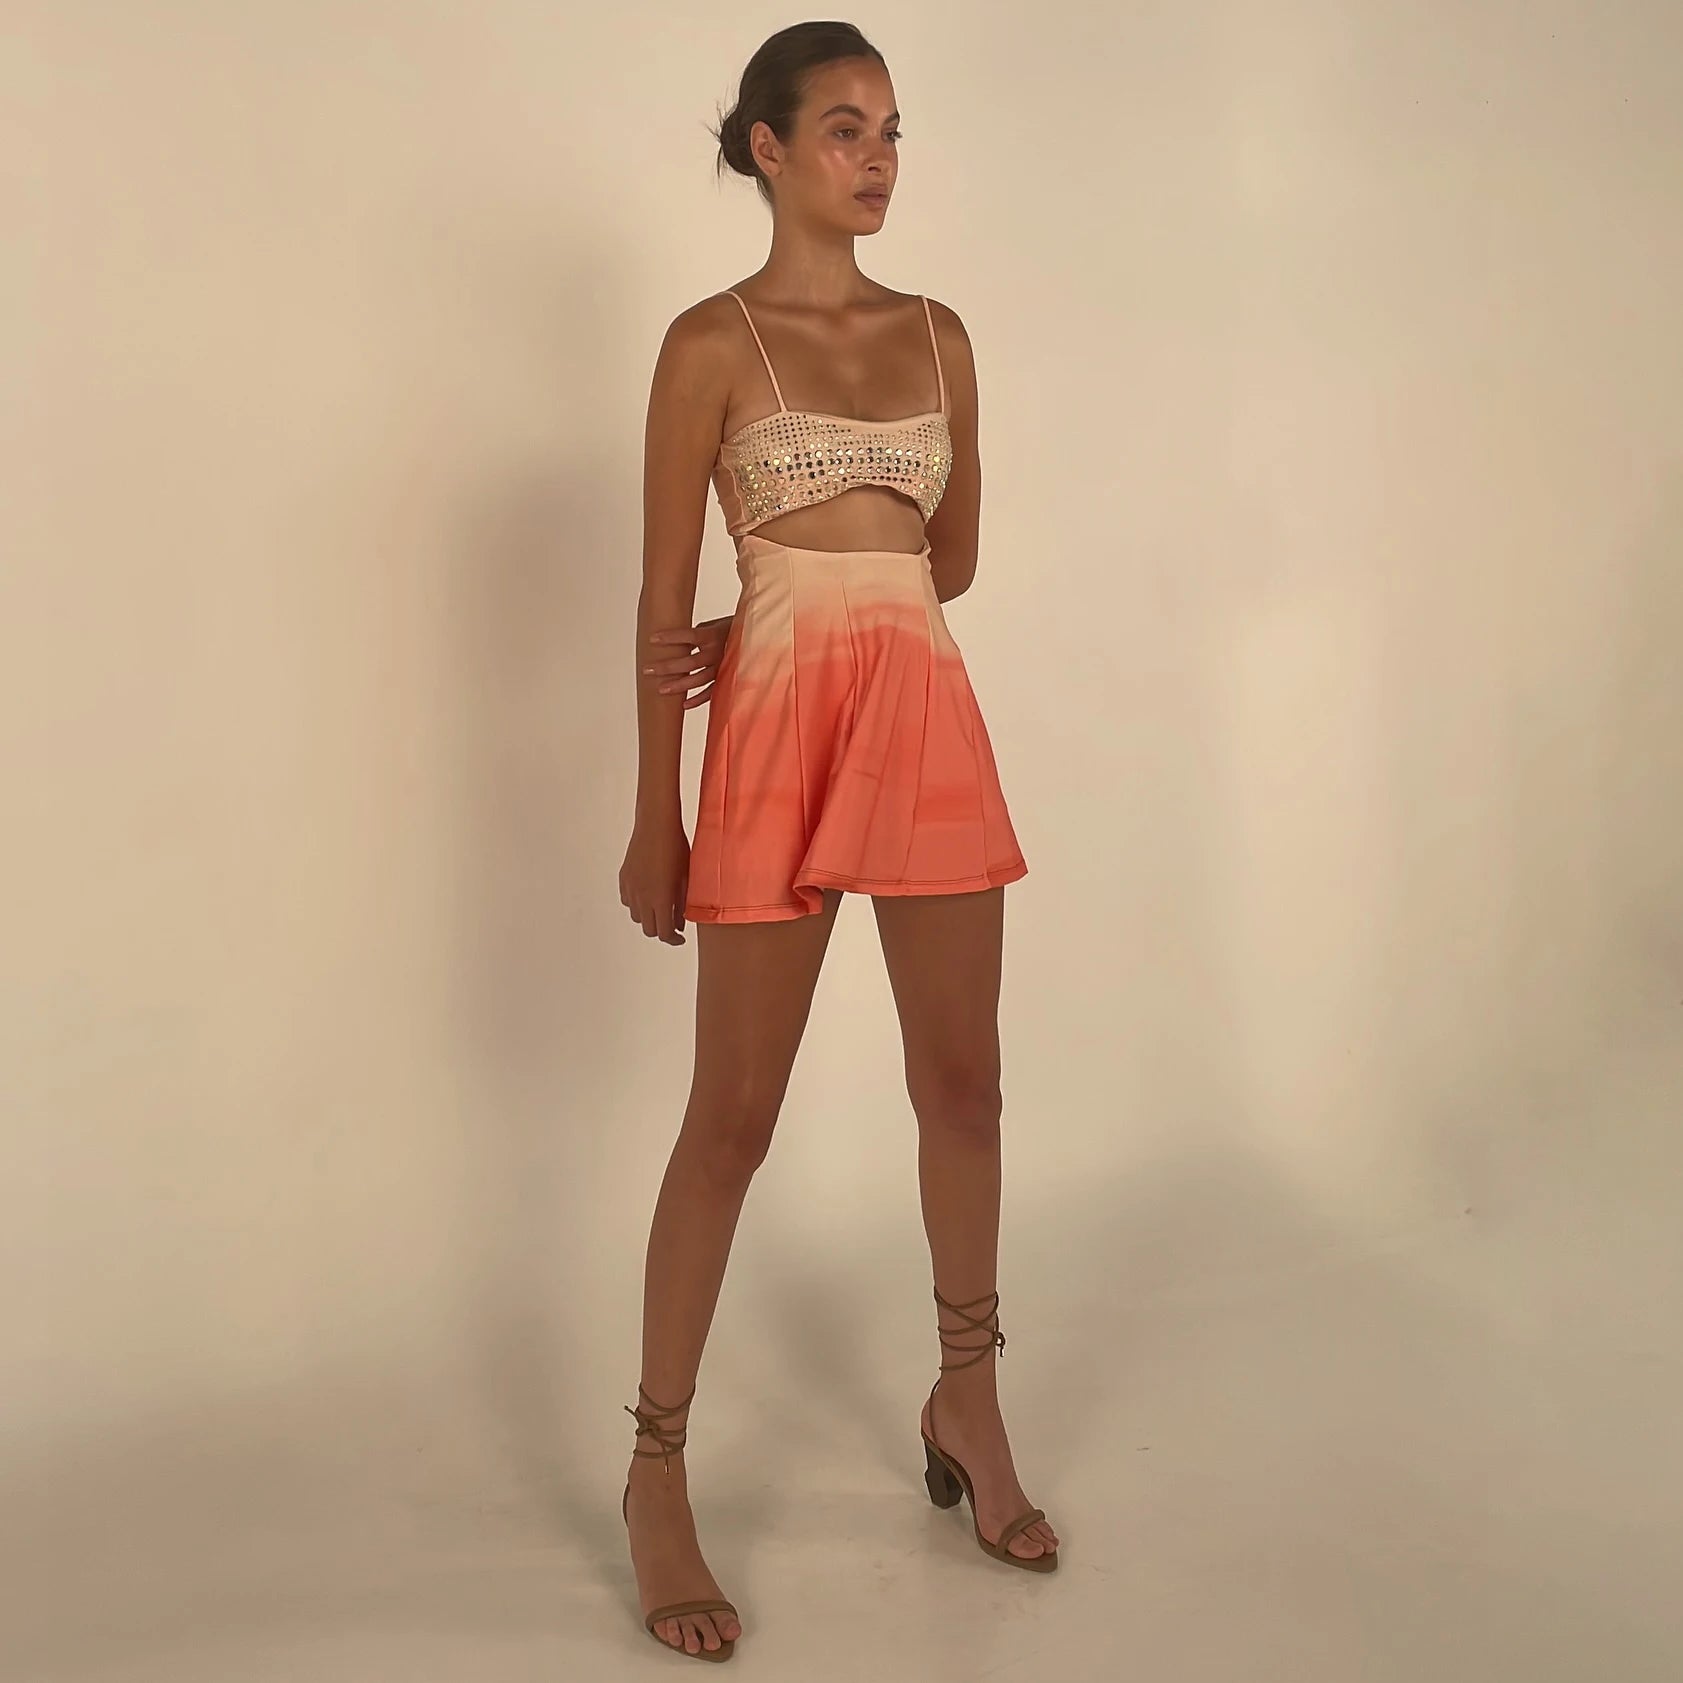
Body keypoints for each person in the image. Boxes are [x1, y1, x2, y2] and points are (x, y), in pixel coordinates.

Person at [616, 20, 1059, 1663]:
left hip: (920, 712)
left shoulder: (940, 334)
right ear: (767, 147)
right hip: (776, 731)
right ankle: (656, 1469)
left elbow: (945, 562)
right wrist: (653, 812)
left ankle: (968, 1398)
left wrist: (822, 592)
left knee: (967, 1084)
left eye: (892, 131)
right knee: (731, 1118)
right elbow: (663, 603)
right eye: (845, 130)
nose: (878, 159)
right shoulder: (707, 343)